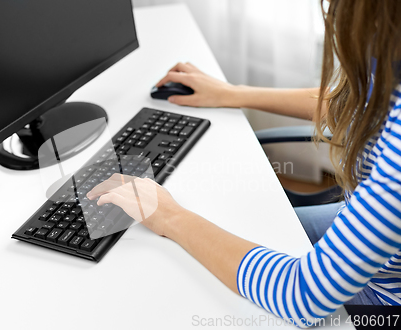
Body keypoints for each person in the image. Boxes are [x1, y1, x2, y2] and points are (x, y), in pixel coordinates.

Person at [88, 0, 401, 326]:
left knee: (198, 290)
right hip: (379, 244)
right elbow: (358, 105)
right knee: (241, 235)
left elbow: (302, 295)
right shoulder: (390, 46)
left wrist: (168, 215)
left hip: (383, 301)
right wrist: (230, 93)